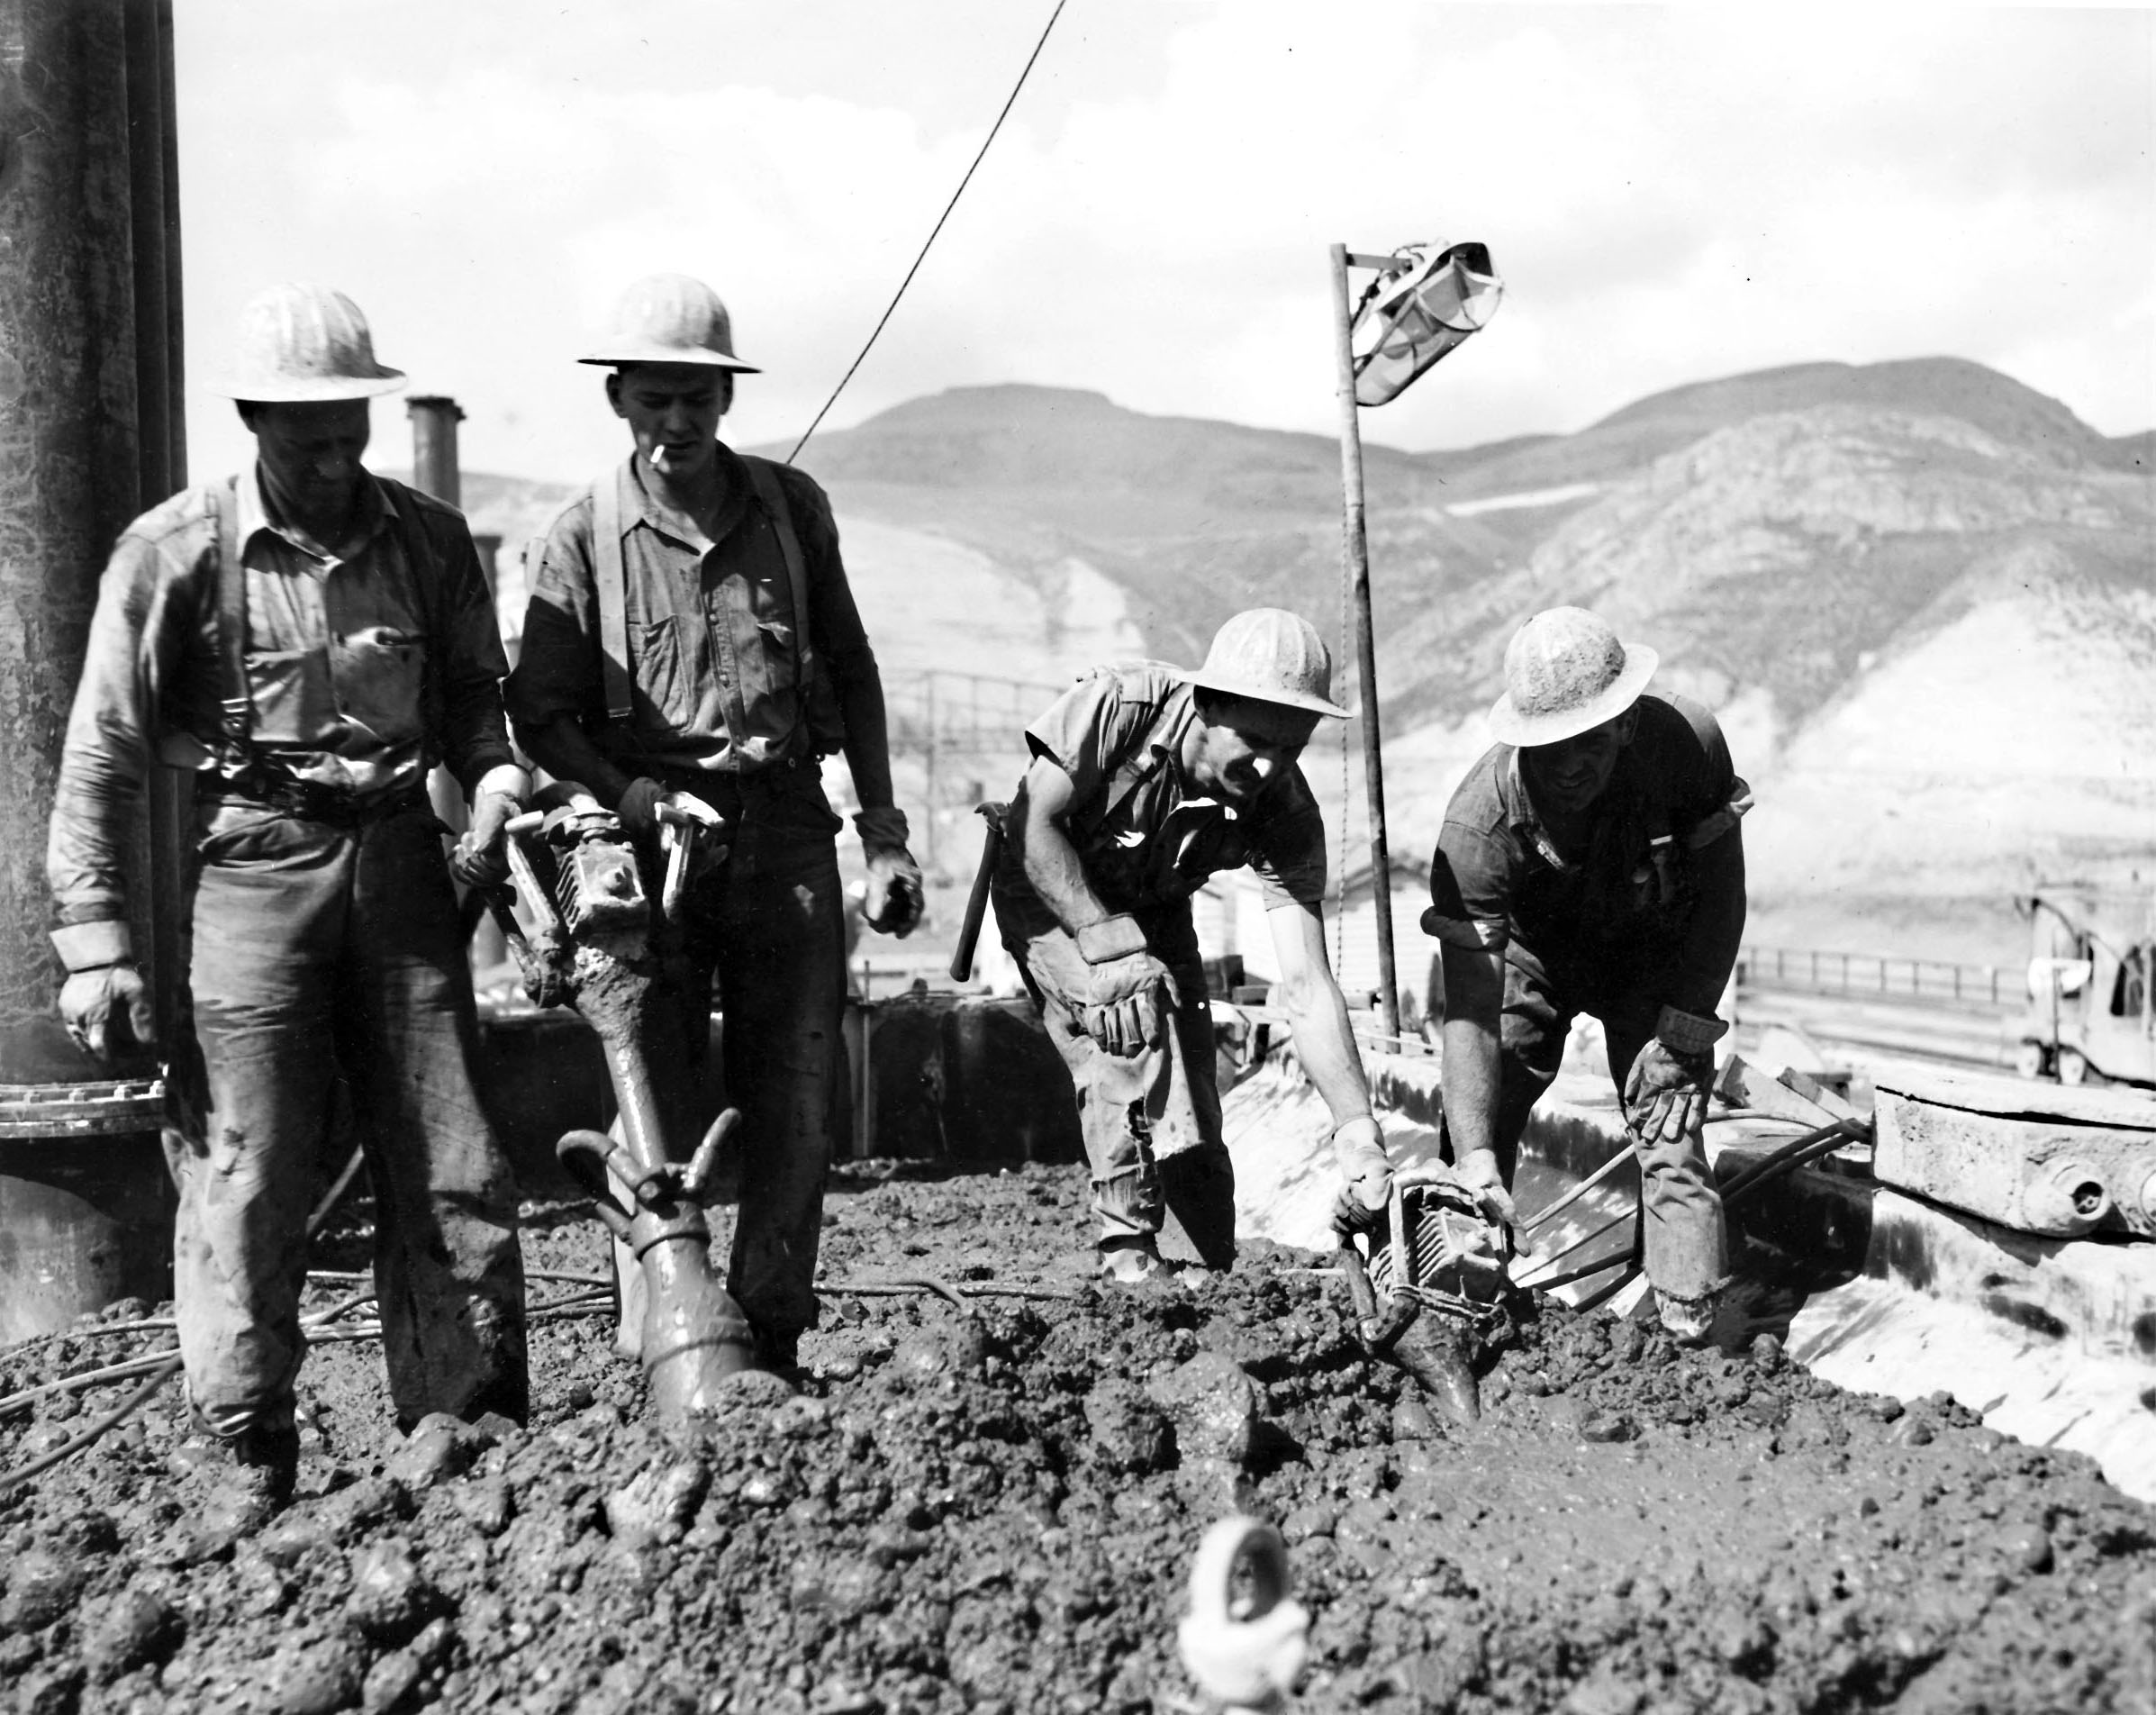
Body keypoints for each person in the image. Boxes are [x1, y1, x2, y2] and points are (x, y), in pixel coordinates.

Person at [47, 283, 531, 1503]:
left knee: (452, 1156)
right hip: (255, 874)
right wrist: (93, 938)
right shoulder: (175, 552)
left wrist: (492, 782)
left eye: (347, 429)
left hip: (403, 872)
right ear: (254, 415)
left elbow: (476, 700)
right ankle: (246, 1443)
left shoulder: (423, 541)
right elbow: (103, 749)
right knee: (251, 1164)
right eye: (304, 432)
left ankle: (464, 1431)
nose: (331, 456)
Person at [505, 273, 922, 1377]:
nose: (677, 423)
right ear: (619, 402)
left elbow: (853, 670)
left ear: (725, 400)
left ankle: (771, 1332)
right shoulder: (581, 536)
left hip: (783, 827)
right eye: (655, 400)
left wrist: (881, 831)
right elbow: (537, 713)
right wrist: (631, 796)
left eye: (696, 399)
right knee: (655, 1087)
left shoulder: (792, 510)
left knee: (795, 1083)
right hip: (655, 845)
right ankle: (664, 1340)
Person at [991, 608, 1395, 1282]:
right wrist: (1106, 942)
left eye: (1292, 747)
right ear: (1207, 704)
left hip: (1155, 904)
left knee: (1194, 1077)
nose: (1270, 765)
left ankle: (1203, 1264)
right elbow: (1034, 824)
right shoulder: (1124, 709)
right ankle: (1129, 1257)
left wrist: (1357, 1129)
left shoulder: (1284, 812)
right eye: (1256, 739)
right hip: (1048, 885)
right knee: (1128, 1023)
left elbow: (1306, 984)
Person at [1421, 605, 1751, 1344]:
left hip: (1646, 949)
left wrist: (1689, 1026)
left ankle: (1689, 1332)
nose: (1570, 766)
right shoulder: (1477, 830)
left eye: (1590, 743)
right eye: (1549, 748)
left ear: (1626, 724)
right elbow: (1471, 1013)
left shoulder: (1684, 745)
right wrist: (1472, 1156)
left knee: (1670, 1122)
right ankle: (1463, 1301)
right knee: (1486, 1096)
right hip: (1533, 955)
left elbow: (1722, 891)